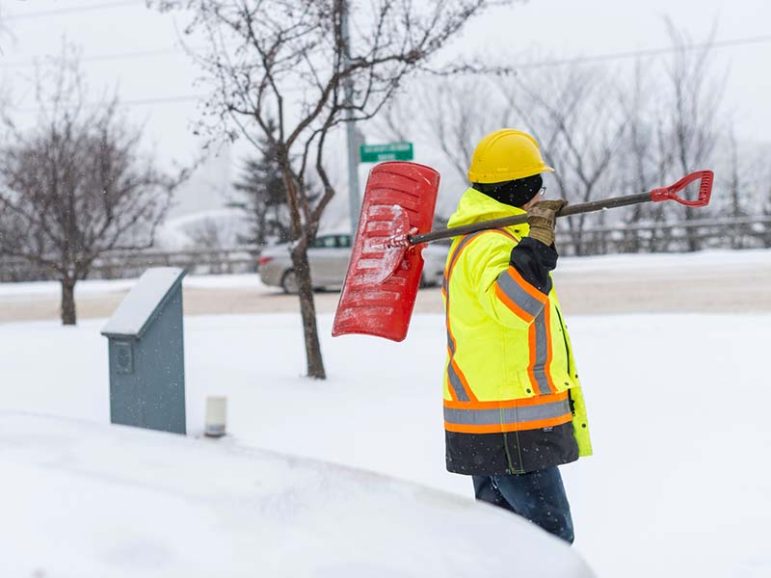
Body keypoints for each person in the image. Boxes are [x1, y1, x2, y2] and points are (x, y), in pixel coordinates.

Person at [441, 128, 592, 544]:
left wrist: (529, 240)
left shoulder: (488, 236)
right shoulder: (487, 243)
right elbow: (513, 306)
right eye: (536, 188)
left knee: (504, 542)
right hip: (511, 423)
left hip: (494, 418)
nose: (541, 197)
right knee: (549, 541)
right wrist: (538, 247)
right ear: (518, 189)